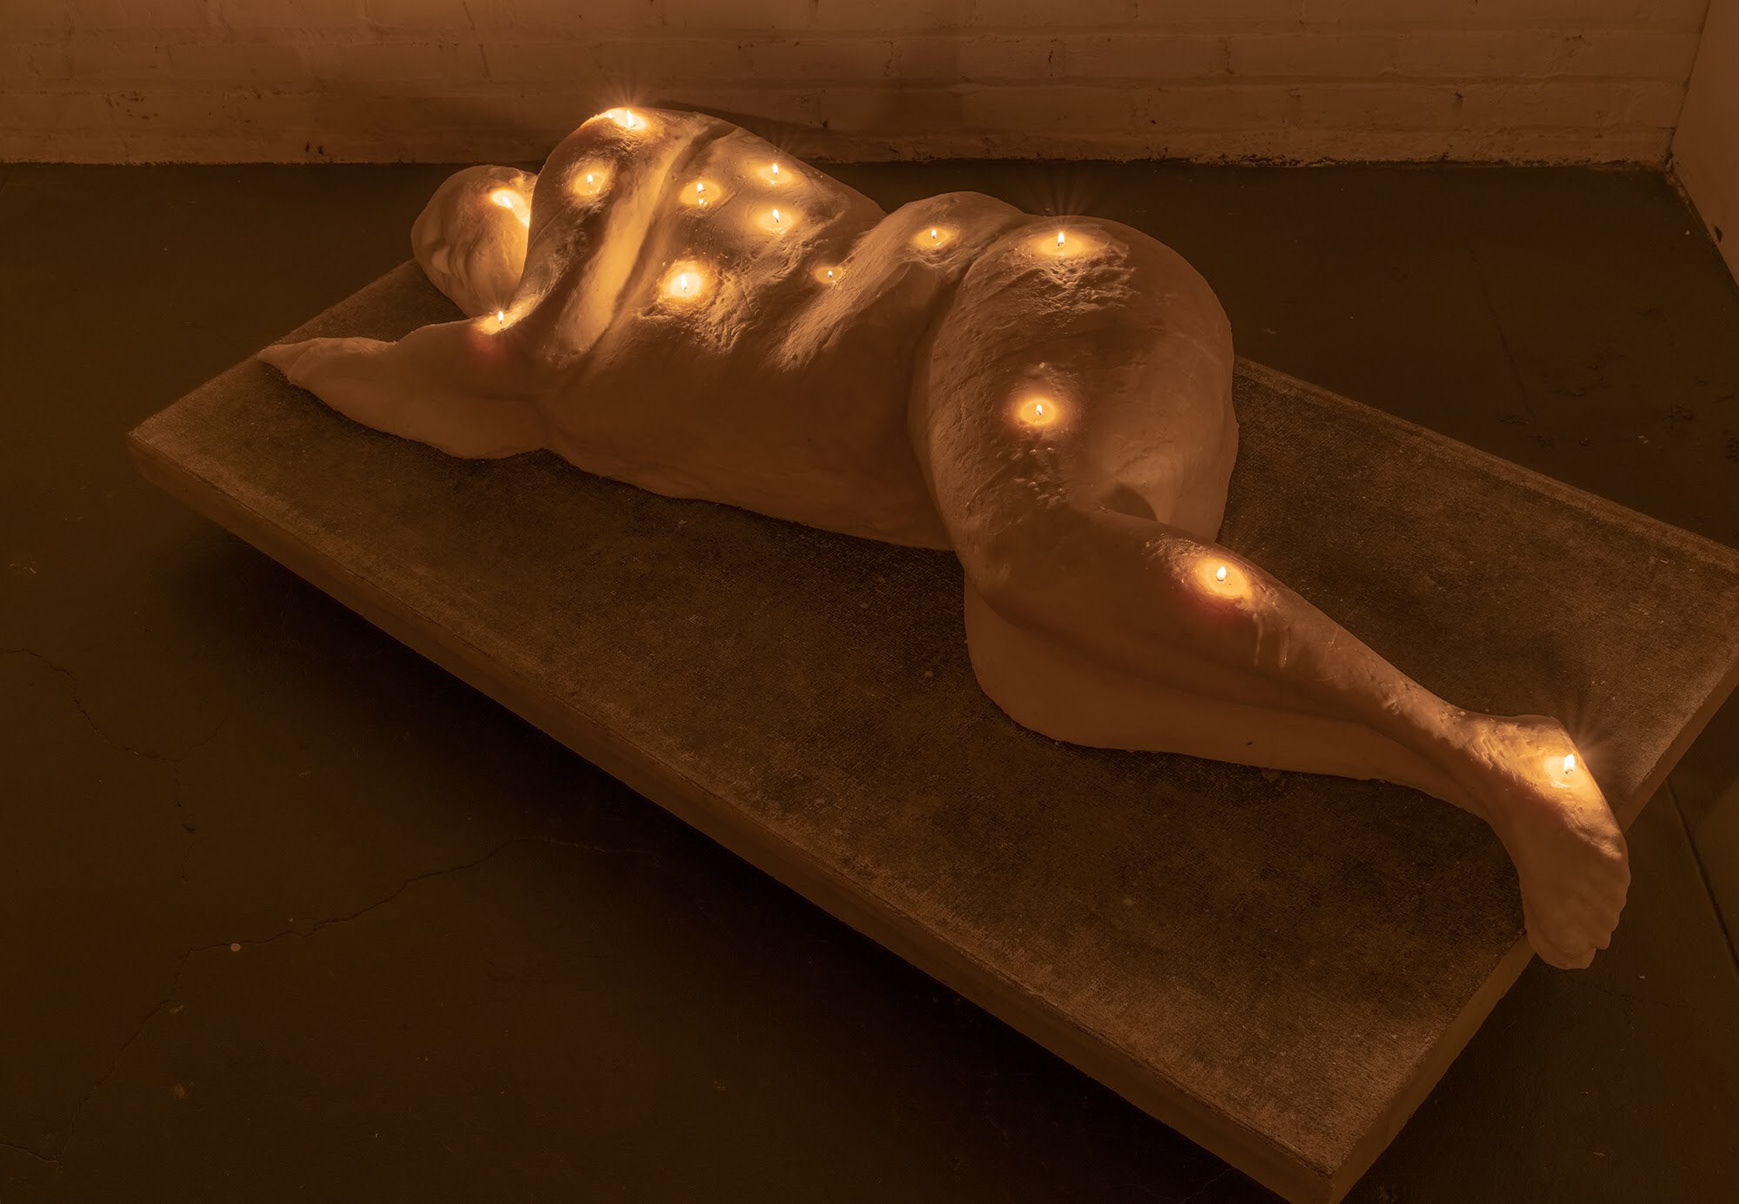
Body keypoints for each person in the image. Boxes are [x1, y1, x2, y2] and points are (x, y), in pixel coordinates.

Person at [260, 106, 1628, 969]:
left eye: (463, 234)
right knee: (1040, 667)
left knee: (1034, 548)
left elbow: (509, 353)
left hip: (1017, 299)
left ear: (513, 191)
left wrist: (395, 355)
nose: (463, 266)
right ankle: (1456, 772)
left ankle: (1478, 745)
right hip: (1000, 426)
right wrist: (378, 373)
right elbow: (472, 399)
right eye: (446, 266)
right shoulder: (563, 389)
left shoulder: (609, 162)